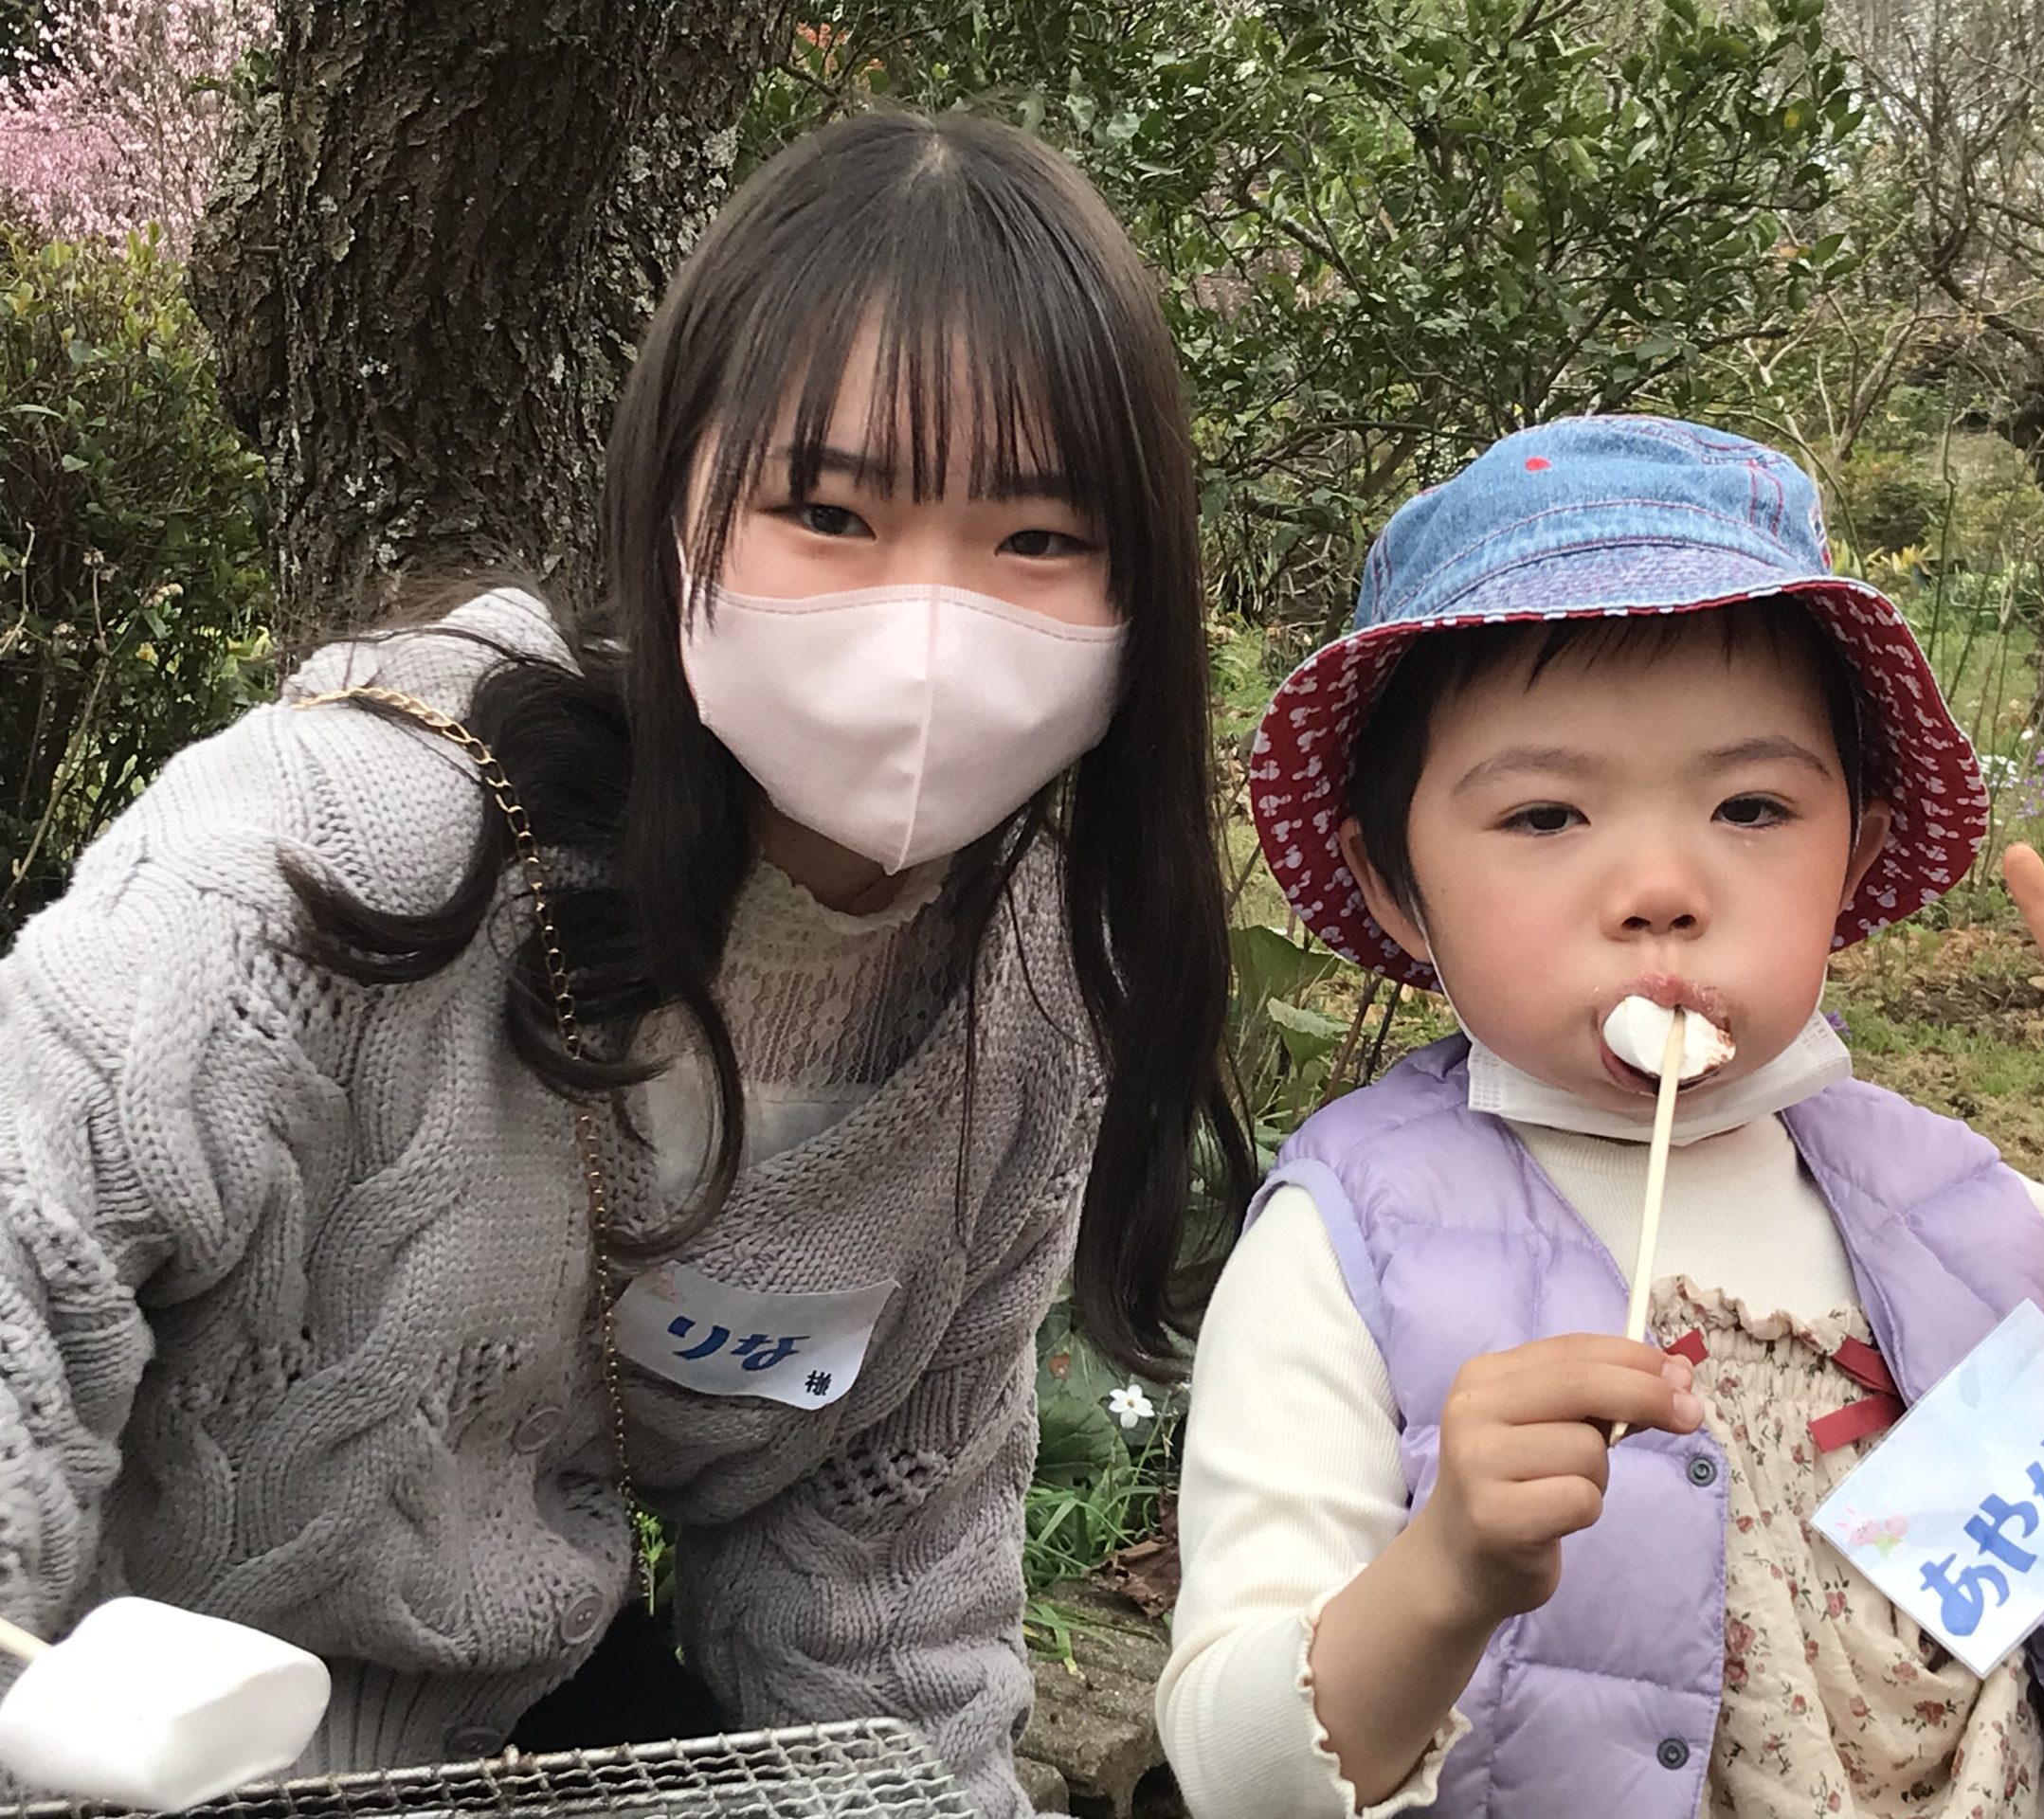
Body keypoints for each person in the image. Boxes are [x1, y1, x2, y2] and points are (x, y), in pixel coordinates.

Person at [0, 111, 1248, 1818]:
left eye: (1038, 538)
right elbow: (23, 1259)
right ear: (678, 511)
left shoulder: (1029, 1010)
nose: (932, 626)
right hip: (79, 1721)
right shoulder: (332, 844)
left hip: (501, 1744)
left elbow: (875, 1613)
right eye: (829, 510)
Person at [1158, 416, 2044, 1818]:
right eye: (1544, 816)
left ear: (1854, 859)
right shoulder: (1354, 1246)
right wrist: (1444, 1573)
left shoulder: (1946, 1211)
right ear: (1394, 889)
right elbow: (1239, 1775)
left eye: (1752, 806)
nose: (1660, 886)